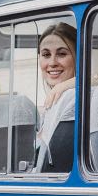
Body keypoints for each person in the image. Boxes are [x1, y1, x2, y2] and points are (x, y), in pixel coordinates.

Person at [34, 23, 76, 173]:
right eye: (46, 55)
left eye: (62, 54)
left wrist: (73, 83)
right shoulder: (51, 108)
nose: (52, 63)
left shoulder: (75, 100)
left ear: (79, 56)